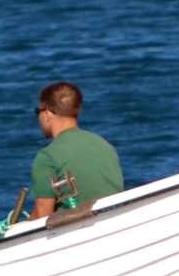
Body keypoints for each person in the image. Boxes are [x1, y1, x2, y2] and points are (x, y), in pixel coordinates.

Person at [29, 81, 124, 220]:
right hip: (114, 219)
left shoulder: (47, 157)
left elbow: (42, 217)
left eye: (38, 111)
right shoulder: (105, 145)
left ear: (48, 113)